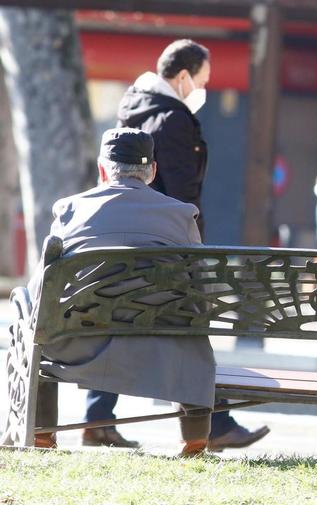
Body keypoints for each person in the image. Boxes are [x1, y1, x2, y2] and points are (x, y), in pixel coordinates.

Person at [84, 40, 265, 450]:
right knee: (192, 328)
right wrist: (191, 241)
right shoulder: (173, 118)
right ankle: (213, 426)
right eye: (202, 79)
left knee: (120, 322)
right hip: (164, 249)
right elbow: (185, 192)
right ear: (183, 76)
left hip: (118, 259)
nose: (204, 87)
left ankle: (97, 419)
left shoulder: (134, 105)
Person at [30, 128, 218, 455]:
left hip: (77, 346)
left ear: (103, 168)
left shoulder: (69, 210)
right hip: (163, 348)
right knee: (192, 338)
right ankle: (195, 440)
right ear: (152, 171)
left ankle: (43, 437)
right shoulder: (180, 214)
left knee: (38, 333)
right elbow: (200, 290)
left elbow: (42, 290)